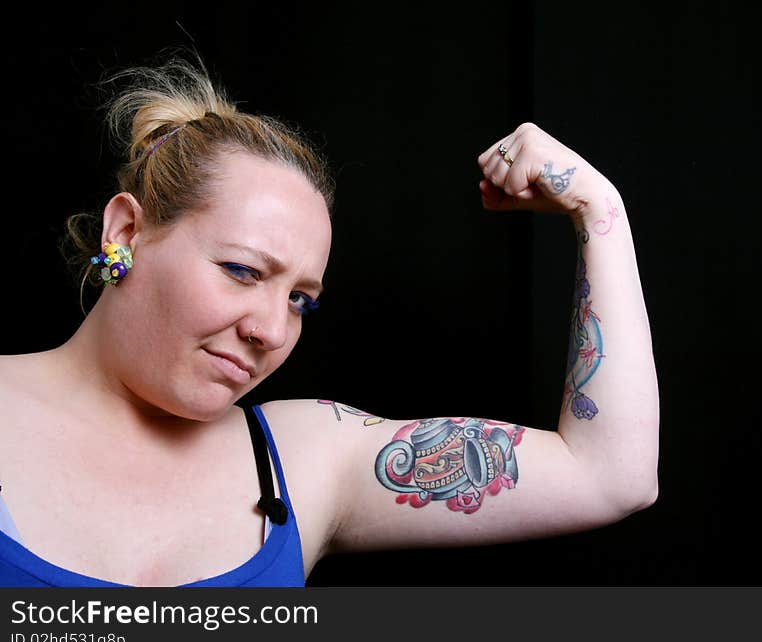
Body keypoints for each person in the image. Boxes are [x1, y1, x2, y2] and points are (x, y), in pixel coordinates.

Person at [0, 52, 659, 587]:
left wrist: (599, 209)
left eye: (301, 300)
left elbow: (609, 474)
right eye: (244, 270)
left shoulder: (304, 459)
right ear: (126, 232)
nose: (272, 330)